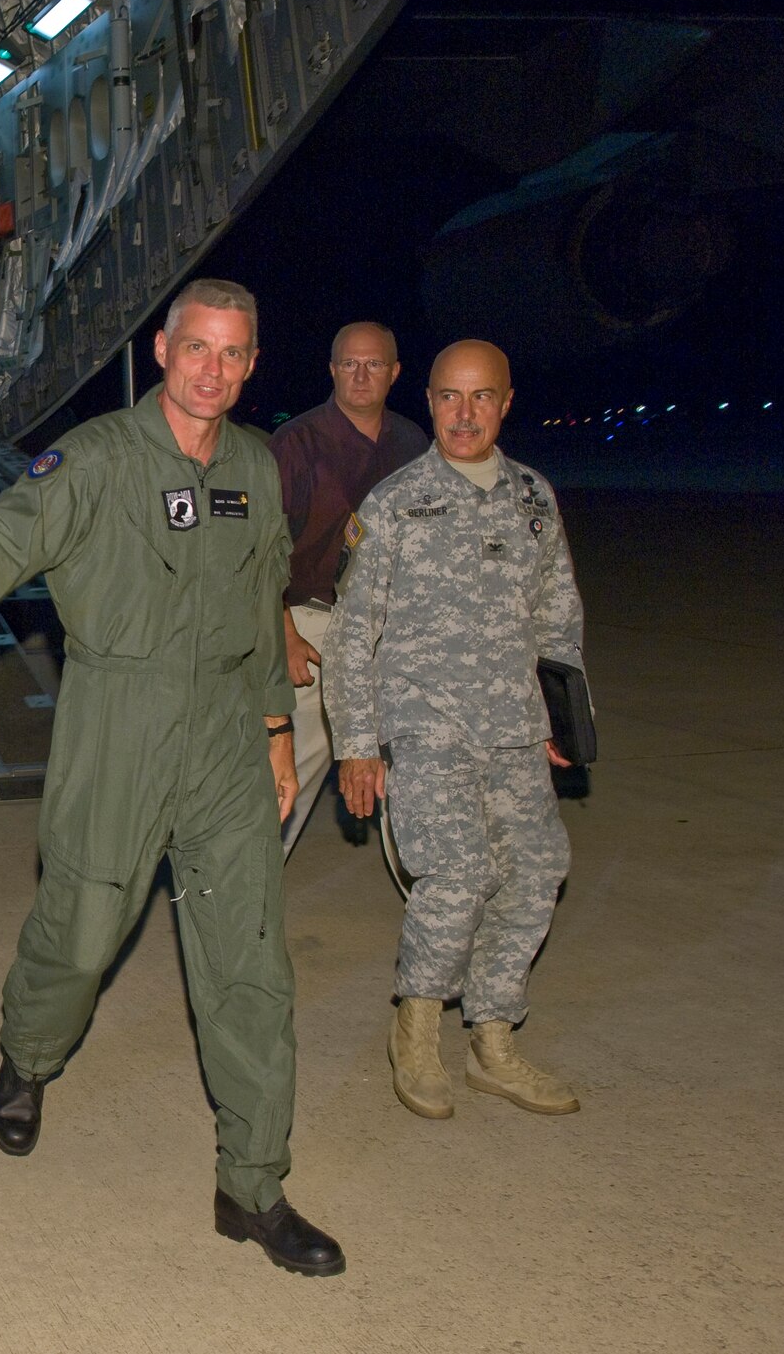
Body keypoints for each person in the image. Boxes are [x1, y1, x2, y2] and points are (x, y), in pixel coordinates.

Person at [0, 278, 344, 1278]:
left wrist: (277, 730)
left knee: (249, 967)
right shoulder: (99, 457)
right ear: (161, 348)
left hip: (228, 738)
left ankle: (253, 1184)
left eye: (234, 354)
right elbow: (12, 525)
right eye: (198, 348)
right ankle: (27, 1057)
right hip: (118, 724)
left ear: (249, 362)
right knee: (81, 934)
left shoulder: (253, 463)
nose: (215, 370)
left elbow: (261, 595)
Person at [324, 339, 585, 1121]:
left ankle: (495, 1038)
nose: (463, 413)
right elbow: (350, 632)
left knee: (537, 870)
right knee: (459, 874)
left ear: (506, 403)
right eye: (447, 396)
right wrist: (358, 744)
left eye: (481, 397)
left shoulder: (534, 497)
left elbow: (557, 615)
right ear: (429, 401)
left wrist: (563, 716)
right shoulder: (394, 504)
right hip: (426, 723)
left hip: (513, 724)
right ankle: (417, 1026)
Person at [267, 322, 427, 857]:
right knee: (290, 767)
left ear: (396, 372)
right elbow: (256, 552)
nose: (361, 375)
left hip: (390, 630)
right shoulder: (296, 443)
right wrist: (280, 629)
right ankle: (249, 895)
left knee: (410, 771)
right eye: (350, 364)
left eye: (375, 364)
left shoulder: (412, 443)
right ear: (332, 370)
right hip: (311, 624)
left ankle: (435, 898)